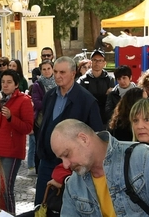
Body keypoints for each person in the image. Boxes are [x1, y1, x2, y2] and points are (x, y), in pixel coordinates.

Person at [34, 58, 106, 205]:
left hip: (70, 166)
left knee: (64, 208)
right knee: (41, 205)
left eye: (62, 72)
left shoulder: (86, 100)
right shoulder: (50, 96)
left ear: (73, 73)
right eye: (55, 72)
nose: (57, 76)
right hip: (46, 161)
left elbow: (97, 136)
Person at [0, 69, 34, 212]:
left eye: (9, 82)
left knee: (5, 188)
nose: (5, 85)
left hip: (11, 151)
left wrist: (11, 118)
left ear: (16, 84)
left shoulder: (24, 100)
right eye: (3, 82)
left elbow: (28, 128)